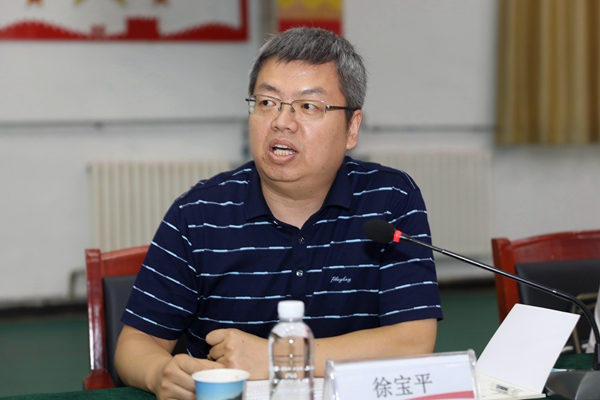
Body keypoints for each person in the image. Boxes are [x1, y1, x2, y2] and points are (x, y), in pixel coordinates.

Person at [115, 27, 443, 400]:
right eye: (267, 102)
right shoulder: (199, 213)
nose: (282, 122)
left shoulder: (390, 198)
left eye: (308, 106)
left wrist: (279, 357)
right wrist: (160, 373)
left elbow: (413, 340)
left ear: (352, 128)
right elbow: (135, 343)